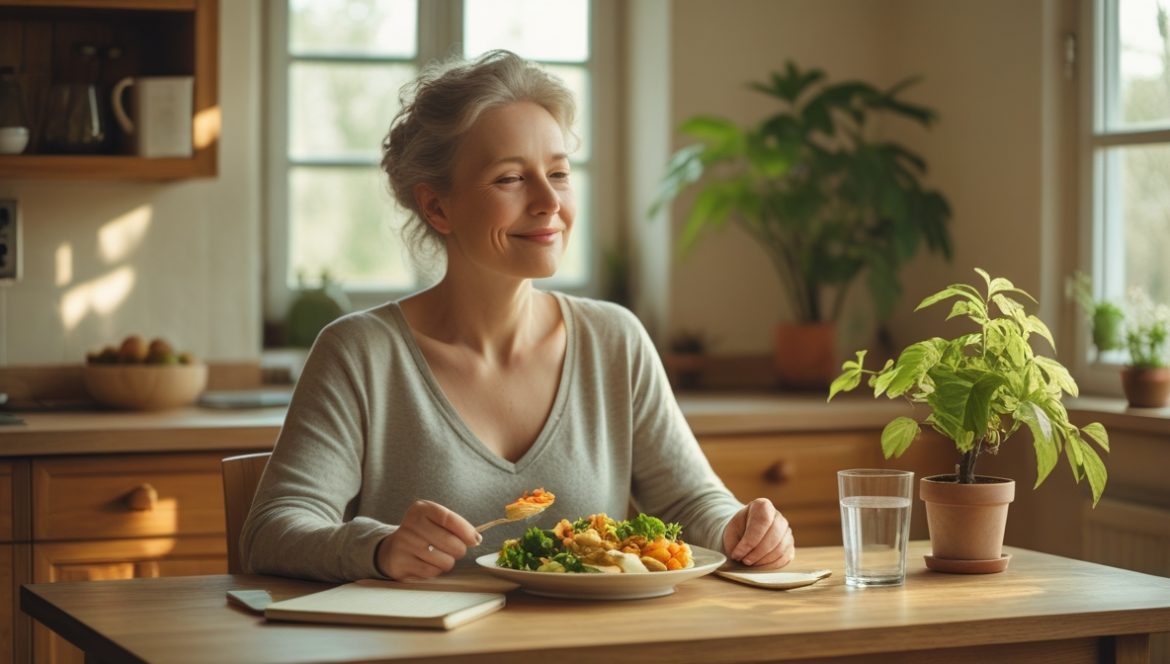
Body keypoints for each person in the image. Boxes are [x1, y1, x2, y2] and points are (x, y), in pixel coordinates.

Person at [241, 49, 795, 582]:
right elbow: (273, 530)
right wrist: (379, 548)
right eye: (510, 178)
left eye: (557, 173)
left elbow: (690, 501)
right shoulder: (359, 353)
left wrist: (741, 528)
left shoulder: (614, 340)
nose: (549, 202)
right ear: (437, 206)